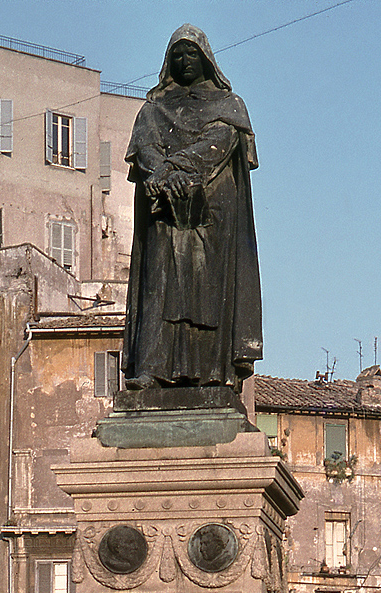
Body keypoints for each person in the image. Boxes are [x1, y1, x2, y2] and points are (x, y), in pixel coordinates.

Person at [122, 24, 261, 392]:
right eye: (177, 55)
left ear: (206, 59)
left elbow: (219, 141)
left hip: (212, 214)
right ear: (168, 62)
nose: (185, 60)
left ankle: (214, 374)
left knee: (210, 290)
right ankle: (150, 369)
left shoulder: (229, 105)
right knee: (158, 286)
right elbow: (144, 148)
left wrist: (173, 168)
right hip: (163, 208)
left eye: (191, 53)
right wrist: (162, 173)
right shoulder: (153, 109)